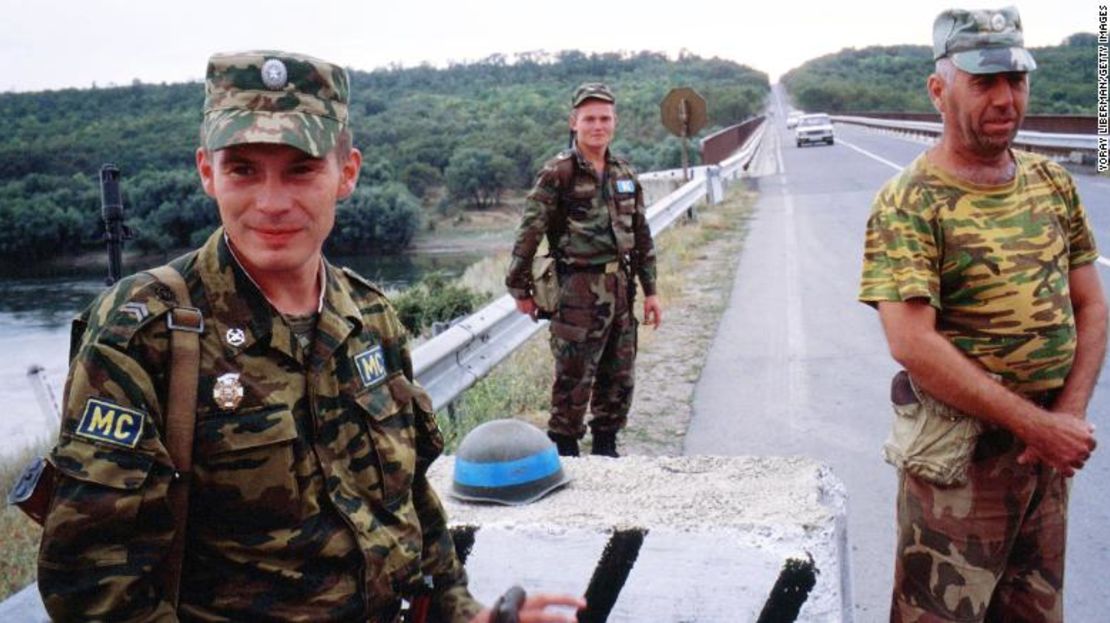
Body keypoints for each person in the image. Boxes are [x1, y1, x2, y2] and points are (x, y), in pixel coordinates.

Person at [36, 50, 583, 623]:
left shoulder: (369, 317)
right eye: (243, 169)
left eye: (302, 169)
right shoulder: (146, 331)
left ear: (346, 174)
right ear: (207, 172)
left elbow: (410, 507)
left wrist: (467, 615)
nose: (273, 203)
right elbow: (92, 583)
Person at [859, 8, 1105, 622]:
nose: (1006, 99)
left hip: (1043, 461)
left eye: (1016, 81)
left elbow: (1091, 302)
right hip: (959, 467)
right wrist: (1035, 425)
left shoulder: (1051, 182)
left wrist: (1067, 415)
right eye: (985, 82)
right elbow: (911, 342)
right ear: (939, 90)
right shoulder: (910, 200)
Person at [505, 83, 662, 458]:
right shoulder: (558, 173)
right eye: (589, 118)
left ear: (615, 122)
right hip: (576, 290)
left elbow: (641, 235)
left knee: (619, 379)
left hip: (621, 289)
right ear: (574, 122)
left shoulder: (624, 172)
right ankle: (566, 457)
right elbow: (530, 232)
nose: (598, 126)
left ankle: (607, 452)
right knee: (573, 381)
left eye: (605, 118)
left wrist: (651, 290)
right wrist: (520, 288)